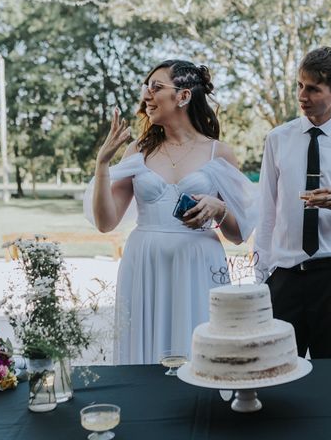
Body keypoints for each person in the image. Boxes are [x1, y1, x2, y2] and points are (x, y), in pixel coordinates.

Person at [83, 59, 256, 365]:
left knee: (199, 351)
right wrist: (102, 165)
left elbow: (239, 234)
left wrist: (219, 207)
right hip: (144, 264)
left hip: (199, 265)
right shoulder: (138, 150)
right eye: (145, 87)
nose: (146, 95)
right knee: (145, 354)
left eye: (156, 87)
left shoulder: (219, 152)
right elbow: (105, 222)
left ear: (184, 96)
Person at [254, 46, 331, 359]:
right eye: (299, 85)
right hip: (284, 277)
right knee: (277, 369)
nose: (302, 96)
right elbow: (267, 210)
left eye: (313, 89)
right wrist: (263, 276)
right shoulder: (277, 139)